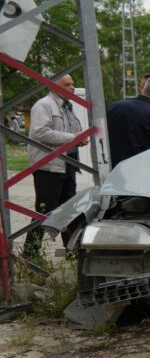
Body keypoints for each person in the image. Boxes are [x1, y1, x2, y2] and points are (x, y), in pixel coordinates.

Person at [24, 75, 88, 260]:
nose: (72, 88)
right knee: (45, 210)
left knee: (68, 210)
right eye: (67, 84)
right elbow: (39, 132)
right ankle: (31, 253)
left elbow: (70, 129)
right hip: (49, 168)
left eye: (73, 84)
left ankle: (72, 252)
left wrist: (79, 137)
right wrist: (73, 137)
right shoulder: (44, 105)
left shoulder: (67, 106)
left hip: (68, 165)